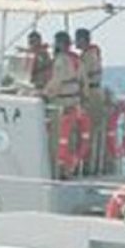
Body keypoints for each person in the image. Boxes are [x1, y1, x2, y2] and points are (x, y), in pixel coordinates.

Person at [75, 28, 103, 174]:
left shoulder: (89, 56)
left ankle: (89, 166)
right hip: (91, 92)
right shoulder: (88, 54)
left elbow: (83, 76)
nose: (75, 42)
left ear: (83, 40)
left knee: (90, 131)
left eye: (77, 39)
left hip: (92, 94)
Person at [44, 31, 82, 109]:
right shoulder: (76, 58)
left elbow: (57, 81)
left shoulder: (61, 60)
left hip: (63, 101)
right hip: (75, 99)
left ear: (61, 44)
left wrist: (45, 93)